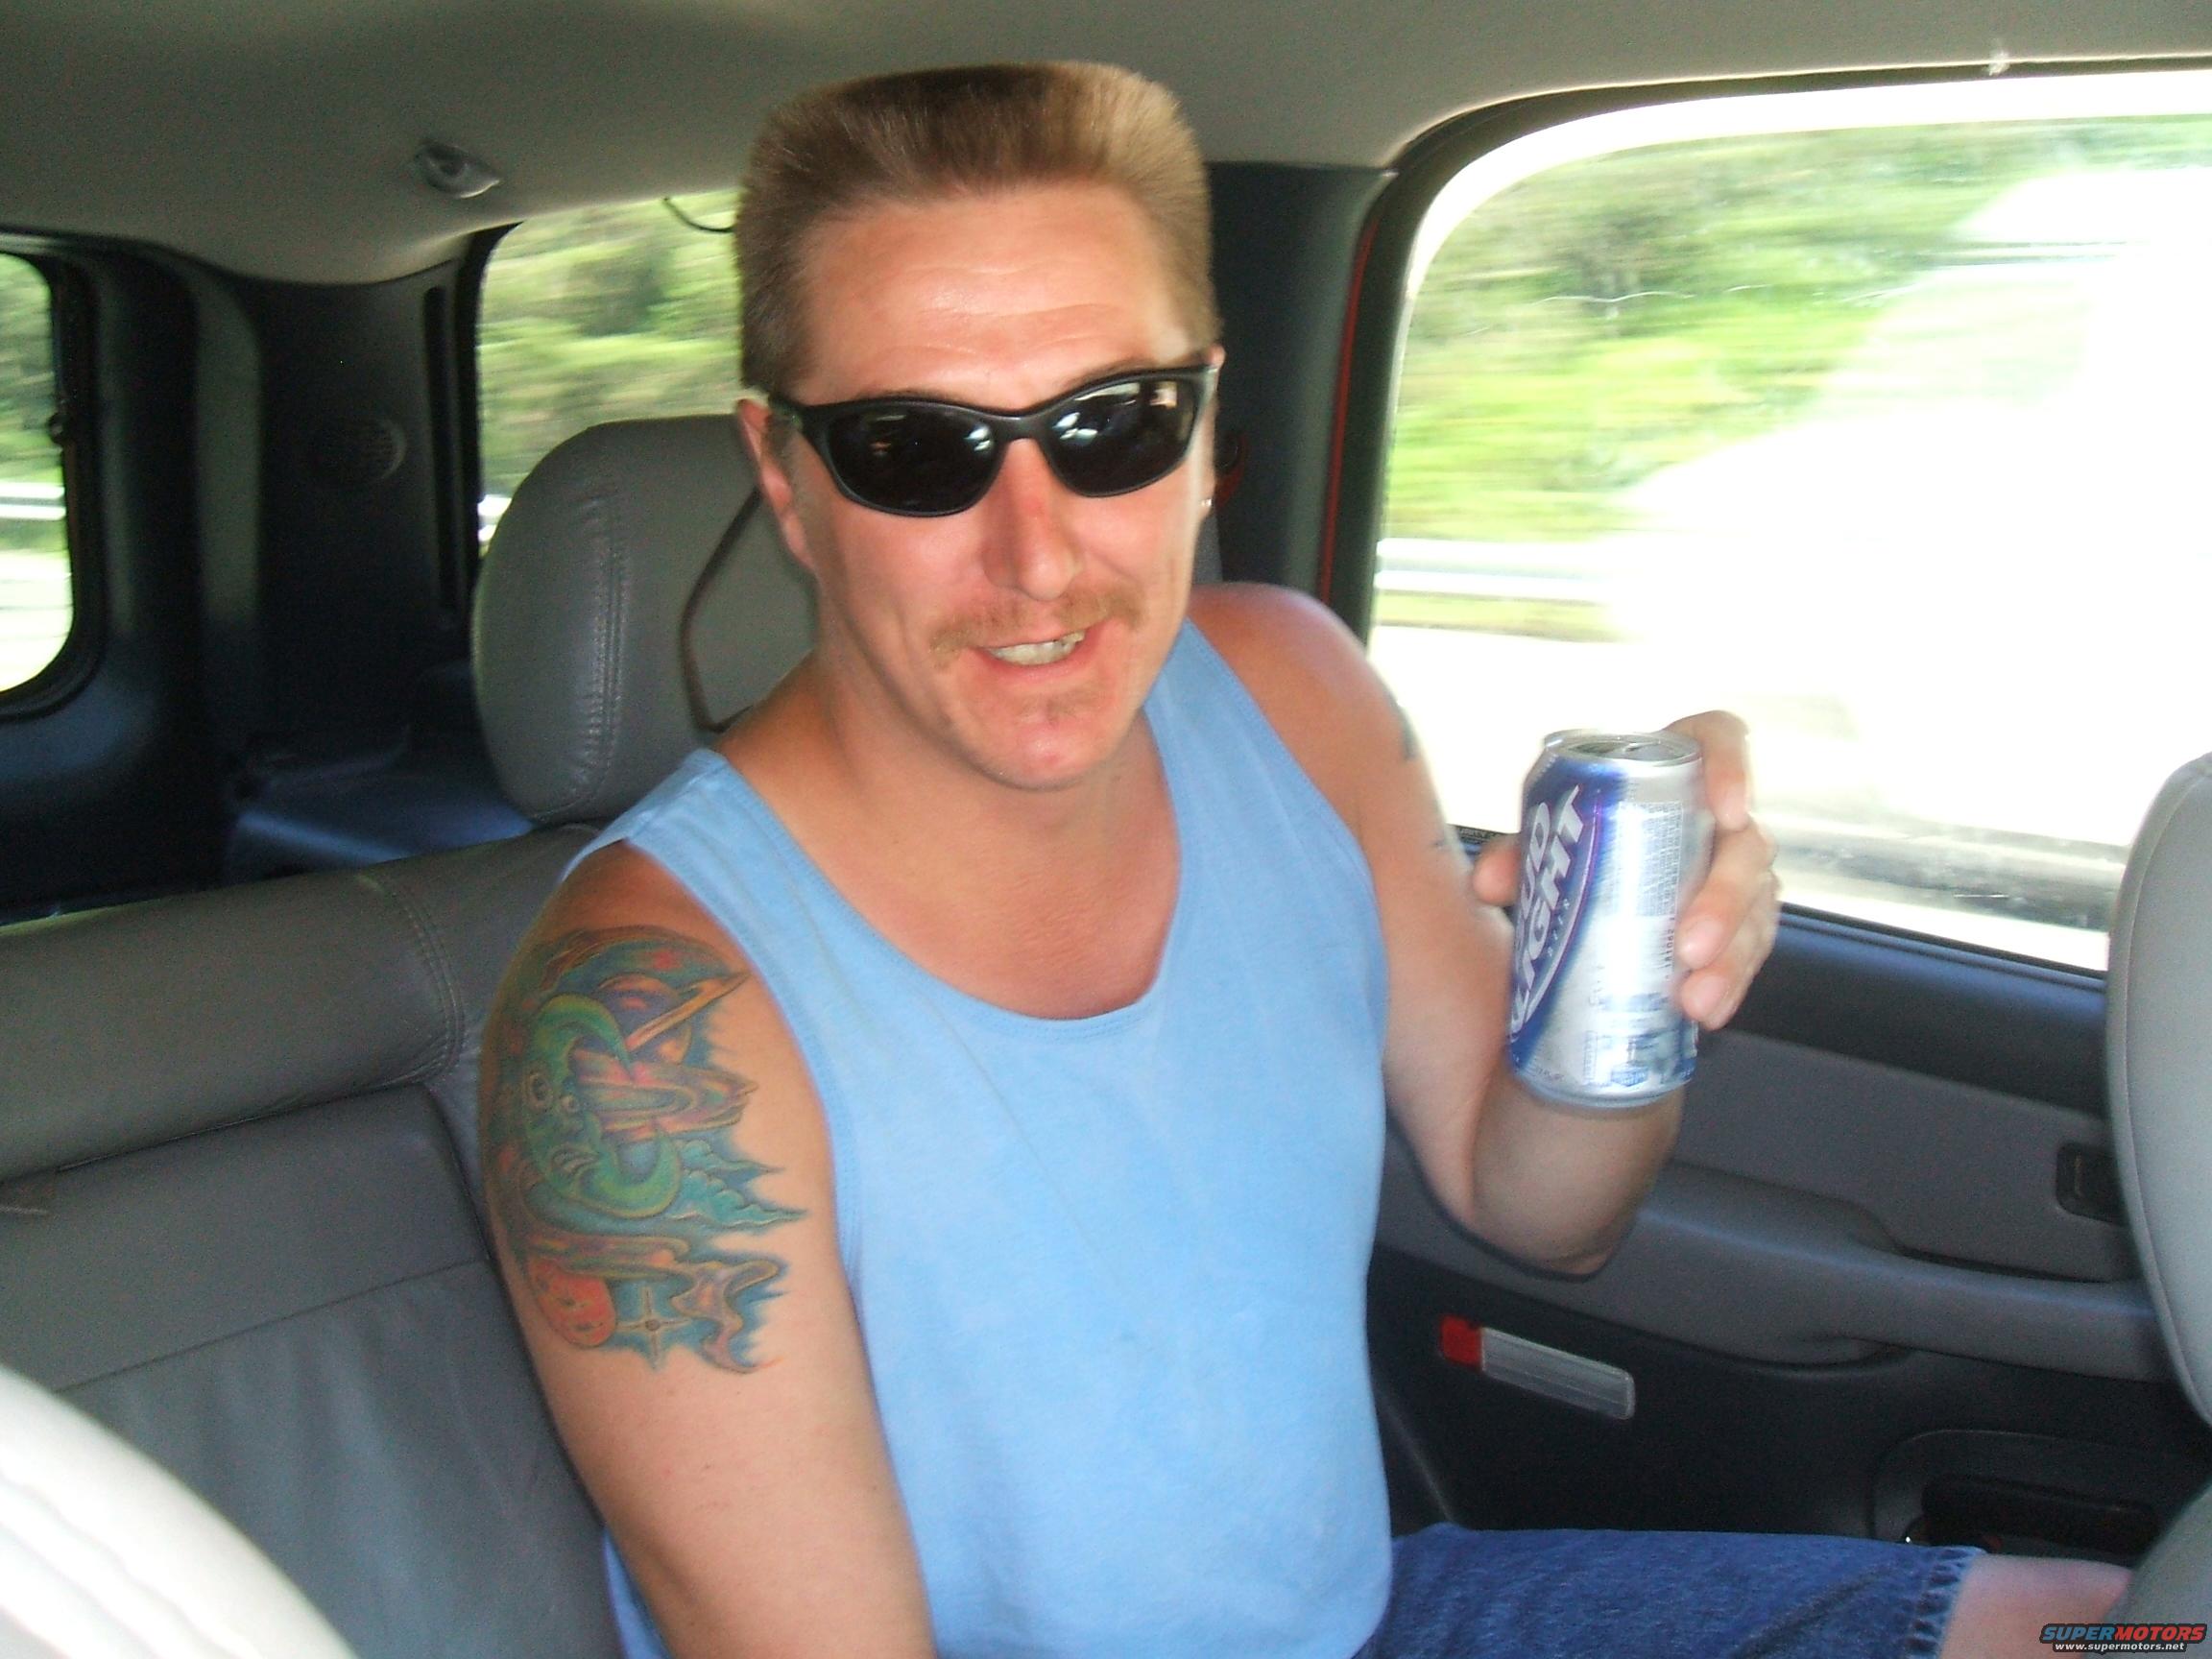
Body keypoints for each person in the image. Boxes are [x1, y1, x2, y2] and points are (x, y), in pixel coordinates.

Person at [478, 60, 2128, 1659]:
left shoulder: (1297, 694)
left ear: (1205, 432)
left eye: (1114, 425)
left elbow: (1544, 1210)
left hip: (1385, 1616)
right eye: (917, 449)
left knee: (2136, 1629)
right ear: (787, 479)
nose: (1036, 558)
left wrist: (1636, 972)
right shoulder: (641, 1030)